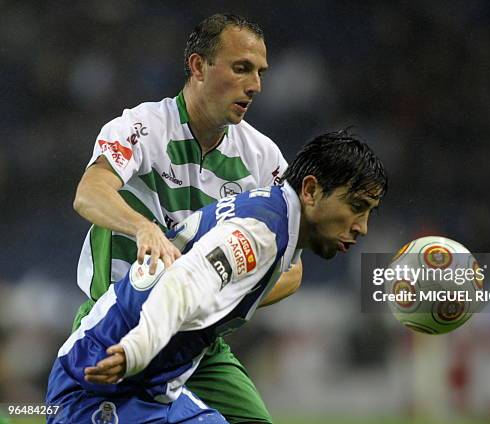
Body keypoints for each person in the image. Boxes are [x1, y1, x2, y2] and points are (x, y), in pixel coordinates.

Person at [46, 131, 388, 423]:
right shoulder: (262, 234)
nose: (362, 227)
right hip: (100, 382)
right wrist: (138, 349)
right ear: (311, 191)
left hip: (153, 386)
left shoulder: (275, 216)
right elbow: (181, 283)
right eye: (356, 207)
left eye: (370, 213)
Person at [71, 14, 302, 423]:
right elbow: (90, 193)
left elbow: (293, 268)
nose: (255, 86)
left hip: (197, 341)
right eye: (241, 68)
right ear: (198, 66)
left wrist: (219, 293)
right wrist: (142, 226)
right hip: (116, 323)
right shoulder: (142, 127)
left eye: (260, 73)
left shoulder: (265, 159)